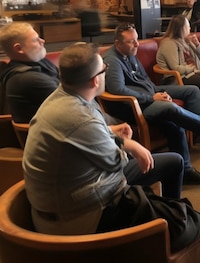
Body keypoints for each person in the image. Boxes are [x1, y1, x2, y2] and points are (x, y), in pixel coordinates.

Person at [0, 23, 185, 198]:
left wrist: (112, 134)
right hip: (82, 183)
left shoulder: (50, 82)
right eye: (35, 39)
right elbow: (99, 145)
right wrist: (123, 143)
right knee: (170, 149)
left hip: (76, 145)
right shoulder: (34, 83)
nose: (42, 41)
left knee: (169, 118)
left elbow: (82, 125)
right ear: (95, 80)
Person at [103, 24, 200, 185]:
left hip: (150, 94)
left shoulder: (131, 53)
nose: (137, 44)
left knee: (191, 90)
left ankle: (193, 155)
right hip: (134, 107)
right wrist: (151, 98)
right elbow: (118, 90)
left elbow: (144, 80)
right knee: (170, 111)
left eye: (136, 40)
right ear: (117, 44)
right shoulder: (112, 60)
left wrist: (157, 93)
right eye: (131, 42)